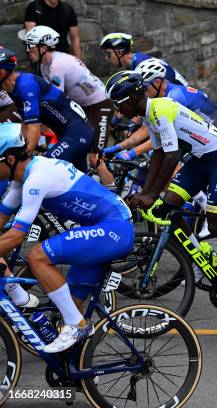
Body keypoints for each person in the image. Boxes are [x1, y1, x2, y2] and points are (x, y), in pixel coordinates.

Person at [105, 71, 217, 297]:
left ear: (130, 99)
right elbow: (158, 154)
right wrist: (146, 193)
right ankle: (200, 262)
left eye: (118, 105)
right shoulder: (150, 114)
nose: (118, 112)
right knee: (169, 208)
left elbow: (172, 156)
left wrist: (152, 194)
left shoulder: (159, 110)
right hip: (200, 161)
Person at [0, 122, 134, 353]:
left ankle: (78, 325)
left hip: (114, 228)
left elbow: (16, 236)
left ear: (10, 159)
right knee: (70, 306)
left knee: (37, 256)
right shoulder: (20, 180)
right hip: (102, 227)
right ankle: (78, 370)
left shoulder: (36, 179)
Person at [20, 26, 112, 154]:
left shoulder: (56, 65)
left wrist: (37, 126)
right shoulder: (44, 64)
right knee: (80, 147)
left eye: (30, 46)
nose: (27, 50)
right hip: (84, 104)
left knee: (96, 155)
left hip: (101, 103)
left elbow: (55, 100)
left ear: (43, 48)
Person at [0, 48, 93, 172]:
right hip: (69, 134)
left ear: (1, 72)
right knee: (77, 185)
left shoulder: (25, 85)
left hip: (77, 133)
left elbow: (34, 130)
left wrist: (20, 159)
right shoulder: (12, 89)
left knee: (42, 171)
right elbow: (25, 125)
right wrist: (17, 150)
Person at [99, 33, 188, 86]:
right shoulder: (135, 62)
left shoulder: (140, 65)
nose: (106, 58)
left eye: (108, 54)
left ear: (119, 52)